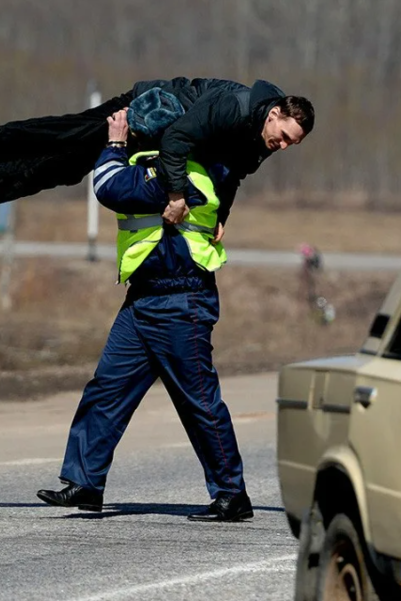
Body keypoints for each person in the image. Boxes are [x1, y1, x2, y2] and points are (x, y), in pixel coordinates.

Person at [35, 106, 306, 521]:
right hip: (143, 299)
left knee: (198, 402)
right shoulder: (176, 167)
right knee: (106, 390)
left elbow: (108, 187)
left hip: (182, 302)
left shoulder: (178, 175)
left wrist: (113, 143)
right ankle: (85, 483)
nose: (284, 146)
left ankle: (232, 494)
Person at [0, 77, 314, 229]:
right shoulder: (235, 108)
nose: (281, 146)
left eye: (289, 145)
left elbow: (232, 175)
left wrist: (220, 218)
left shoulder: (260, 138)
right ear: (274, 114)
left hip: (153, 136)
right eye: (282, 136)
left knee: (64, 167)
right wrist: (177, 196)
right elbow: (178, 139)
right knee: (68, 134)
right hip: (145, 110)